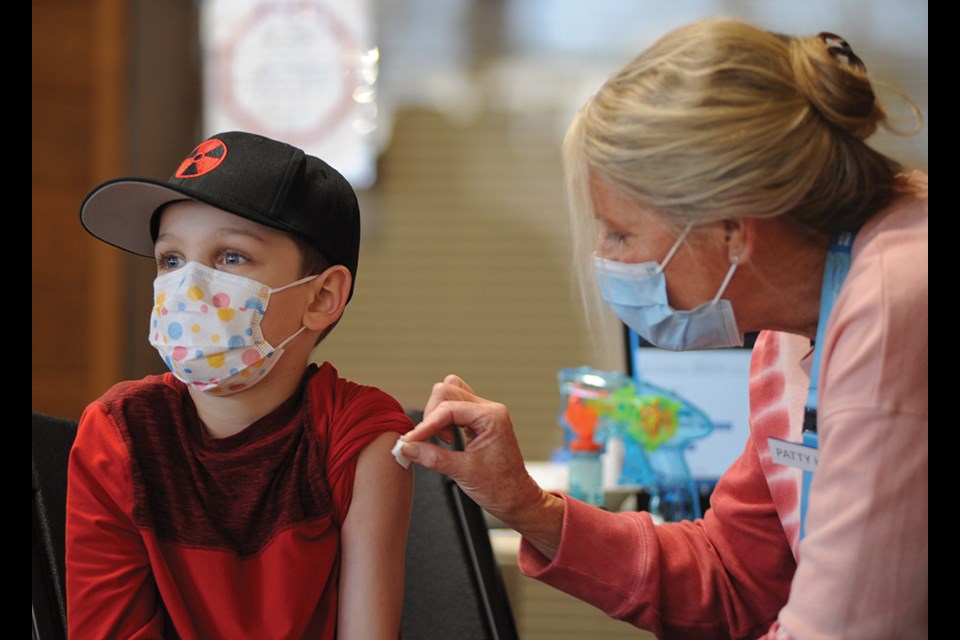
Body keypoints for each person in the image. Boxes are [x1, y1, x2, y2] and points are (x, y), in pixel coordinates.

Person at [398, 18, 927, 639]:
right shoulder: (788, 334)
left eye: (620, 232)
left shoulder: (896, 304)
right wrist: (525, 505)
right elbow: (734, 577)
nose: (607, 258)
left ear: (731, 230)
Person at [66, 131, 414, 639]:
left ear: (322, 297)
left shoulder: (358, 437)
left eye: (231, 257)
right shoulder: (119, 434)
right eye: (171, 260)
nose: (189, 287)